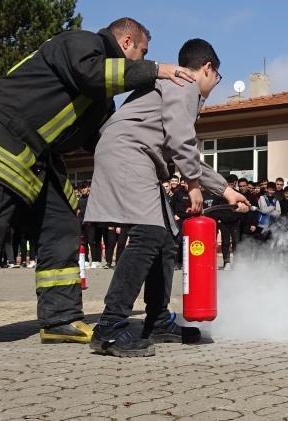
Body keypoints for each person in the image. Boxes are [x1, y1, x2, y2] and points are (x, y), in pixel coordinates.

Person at [0, 17, 197, 359]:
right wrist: (156, 70)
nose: (146, 61)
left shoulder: (101, 101)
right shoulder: (83, 44)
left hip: (34, 156)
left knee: (61, 226)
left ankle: (60, 319)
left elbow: (105, 140)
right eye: (144, 53)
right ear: (127, 42)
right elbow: (92, 74)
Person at [85, 38, 249, 357]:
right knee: (149, 235)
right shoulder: (184, 83)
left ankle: (158, 320)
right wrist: (193, 184)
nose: (215, 86)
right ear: (208, 68)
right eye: (218, 79)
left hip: (138, 155)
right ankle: (110, 327)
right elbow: (180, 140)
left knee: (165, 240)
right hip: (129, 152)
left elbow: (185, 150)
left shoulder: (177, 85)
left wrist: (227, 191)